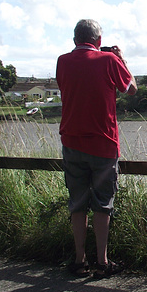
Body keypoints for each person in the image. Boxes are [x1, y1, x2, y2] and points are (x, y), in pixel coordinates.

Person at [56, 19, 137, 278]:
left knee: (77, 203)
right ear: (99, 41)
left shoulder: (62, 62)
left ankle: (80, 261)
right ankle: (102, 262)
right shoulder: (108, 61)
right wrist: (121, 59)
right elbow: (131, 89)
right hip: (103, 144)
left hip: (71, 141)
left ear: (74, 40)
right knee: (102, 204)